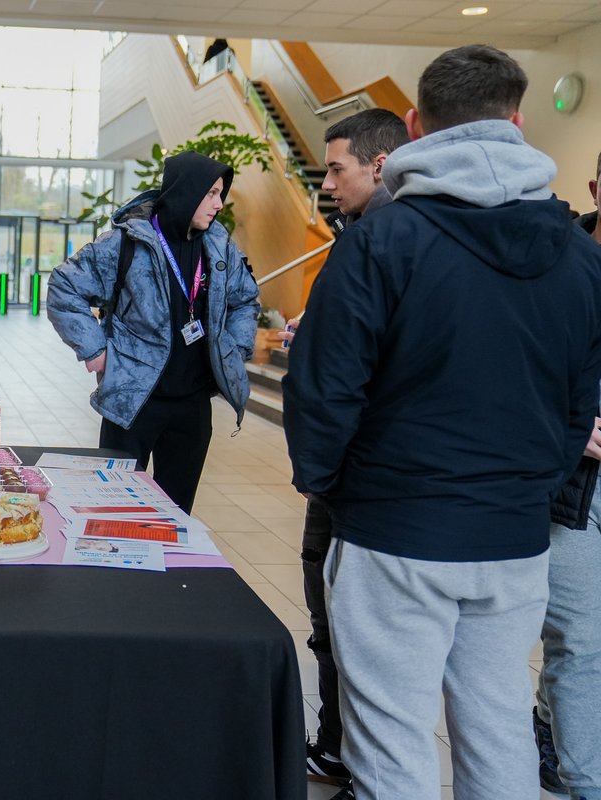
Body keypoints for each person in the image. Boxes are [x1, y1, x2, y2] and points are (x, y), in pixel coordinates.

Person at [281, 45, 601, 800]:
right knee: (498, 732)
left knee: (393, 746)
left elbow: (322, 389)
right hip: (515, 539)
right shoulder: (577, 254)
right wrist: (533, 486)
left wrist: (334, 487)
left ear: (416, 125)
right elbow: (578, 401)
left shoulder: (380, 241)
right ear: (516, 122)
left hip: (395, 530)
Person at [280, 108, 409, 798]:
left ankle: (358, 763)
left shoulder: (392, 241)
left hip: (364, 478)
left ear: (380, 164)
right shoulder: (359, 236)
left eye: (336, 169)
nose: (326, 184)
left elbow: (357, 375)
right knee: (330, 621)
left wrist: (318, 469)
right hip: (345, 474)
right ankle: (336, 748)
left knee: (357, 631)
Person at [47, 151, 260, 512]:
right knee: (114, 510)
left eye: (220, 194)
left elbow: (245, 300)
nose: (219, 204)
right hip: (132, 402)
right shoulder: (126, 243)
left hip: (192, 407)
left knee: (176, 514)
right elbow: (63, 287)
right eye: (211, 193)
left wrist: (235, 350)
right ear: (186, 192)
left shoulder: (219, 247)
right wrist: (94, 348)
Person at [538, 150, 601, 799]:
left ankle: (549, 724)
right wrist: (568, 425)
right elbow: (511, 358)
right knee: (581, 640)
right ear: (595, 188)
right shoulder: (558, 260)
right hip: (573, 486)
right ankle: (587, 784)